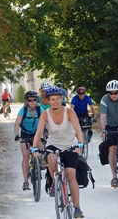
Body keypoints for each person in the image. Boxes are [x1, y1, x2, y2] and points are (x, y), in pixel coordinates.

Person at [31, 87, 85, 218]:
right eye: (52, 99)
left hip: (70, 145)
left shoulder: (69, 112)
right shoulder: (45, 114)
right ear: (48, 101)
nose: (55, 102)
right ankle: (54, 181)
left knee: (70, 175)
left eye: (58, 99)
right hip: (53, 144)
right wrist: (34, 148)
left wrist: (80, 144)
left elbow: (78, 129)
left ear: (62, 99)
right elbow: (39, 132)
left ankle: (77, 208)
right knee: (52, 158)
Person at [14, 90, 44, 191]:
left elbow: (46, 122)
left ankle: (42, 159)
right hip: (25, 134)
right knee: (26, 156)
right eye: (30, 100)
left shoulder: (40, 109)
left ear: (37, 100)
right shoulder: (23, 110)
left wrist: (47, 132)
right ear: (26, 101)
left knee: (41, 143)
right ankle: (26, 181)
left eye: (34, 100)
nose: (32, 102)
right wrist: (17, 136)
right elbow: (17, 123)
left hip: (36, 133)